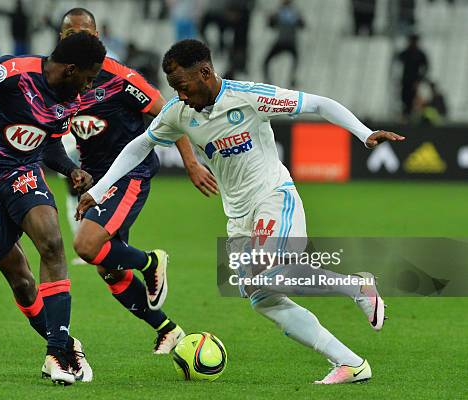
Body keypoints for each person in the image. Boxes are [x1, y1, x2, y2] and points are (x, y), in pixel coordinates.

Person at [77, 39, 405, 384]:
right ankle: (350, 363)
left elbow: (319, 104)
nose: (180, 95)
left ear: (205, 72)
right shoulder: (179, 112)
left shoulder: (248, 96)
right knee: (261, 296)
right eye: (174, 88)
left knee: (268, 274)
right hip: (238, 216)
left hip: (274, 197)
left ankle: (356, 287)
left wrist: (364, 133)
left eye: (183, 86)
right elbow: (140, 144)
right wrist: (99, 191)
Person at [0, 32, 106, 385]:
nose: (89, 87)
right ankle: (62, 343)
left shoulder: (69, 100)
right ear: (71, 69)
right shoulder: (12, 71)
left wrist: (70, 169)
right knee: (21, 279)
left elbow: (48, 147)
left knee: (52, 243)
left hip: (21, 173)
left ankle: (57, 352)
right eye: (88, 78)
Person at [59, 8, 217, 354]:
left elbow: (169, 114)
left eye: (84, 34)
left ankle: (150, 262)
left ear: (97, 38)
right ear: (61, 40)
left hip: (130, 173)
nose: (78, 41)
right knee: (109, 268)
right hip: (96, 178)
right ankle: (167, 329)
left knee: (86, 246)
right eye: (70, 36)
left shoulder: (120, 78)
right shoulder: (58, 78)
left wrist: (191, 162)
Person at [263, 0, 305, 87]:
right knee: (295, 60)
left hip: (283, 41)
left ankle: (270, 80)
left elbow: (271, 25)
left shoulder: (282, 12)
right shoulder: (294, 12)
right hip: (289, 42)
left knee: (266, 61)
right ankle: (291, 79)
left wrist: (271, 19)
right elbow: (302, 25)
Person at [396, 33, 428, 120]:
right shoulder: (406, 53)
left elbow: (425, 67)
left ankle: (411, 115)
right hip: (405, 80)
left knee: (413, 98)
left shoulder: (420, 54)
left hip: (414, 81)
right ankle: (405, 114)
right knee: (404, 97)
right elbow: (398, 61)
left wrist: (420, 79)